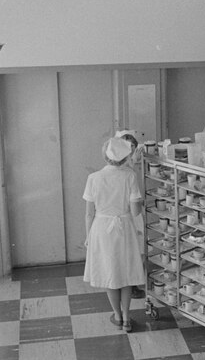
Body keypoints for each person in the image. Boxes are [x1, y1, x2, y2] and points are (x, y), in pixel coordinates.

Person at [83, 136, 145, 332]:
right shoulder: (130, 176)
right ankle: (127, 318)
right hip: (124, 227)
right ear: (125, 156)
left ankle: (117, 316)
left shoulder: (93, 178)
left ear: (105, 155)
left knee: (110, 273)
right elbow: (136, 211)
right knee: (125, 274)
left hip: (101, 229)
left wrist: (88, 237)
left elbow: (88, 213)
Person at [115, 129, 147, 299]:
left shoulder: (128, 168)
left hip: (131, 213)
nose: (133, 153)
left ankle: (130, 282)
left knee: (136, 249)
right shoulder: (126, 172)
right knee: (135, 249)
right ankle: (130, 284)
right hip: (129, 214)